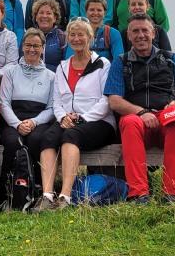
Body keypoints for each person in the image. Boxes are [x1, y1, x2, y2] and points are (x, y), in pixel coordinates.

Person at [105, 15, 175, 204]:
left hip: (166, 116)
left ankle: (172, 193)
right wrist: (141, 112)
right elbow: (114, 101)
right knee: (129, 122)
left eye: (145, 30)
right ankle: (139, 193)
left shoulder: (171, 59)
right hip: (137, 120)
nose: (141, 35)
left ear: (154, 33)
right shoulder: (120, 62)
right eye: (135, 31)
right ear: (128, 36)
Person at [33, 19, 116, 211]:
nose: (76, 38)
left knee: (71, 136)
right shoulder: (63, 67)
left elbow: (106, 101)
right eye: (72, 34)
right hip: (68, 120)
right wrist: (62, 117)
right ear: (67, 38)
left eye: (81, 34)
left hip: (99, 121)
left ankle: (65, 196)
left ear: (90, 38)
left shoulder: (102, 64)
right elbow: (57, 100)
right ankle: (46, 195)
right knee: (48, 137)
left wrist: (82, 118)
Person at [0, 28, 56, 206]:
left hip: (38, 120)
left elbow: (52, 107)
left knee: (38, 139)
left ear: (43, 48)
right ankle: (8, 190)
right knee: (12, 141)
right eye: (29, 45)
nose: (32, 49)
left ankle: (37, 189)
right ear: (22, 46)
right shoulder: (11, 72)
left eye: (37, 46)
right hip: (14, 119)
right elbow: (4, 103)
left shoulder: (51, 76)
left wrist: (33, 122)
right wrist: (17, 124)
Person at [64, 0, 123, 64]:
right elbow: (69, 58)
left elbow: (118, 60)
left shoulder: (112, 33)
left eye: (99, 10)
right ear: (86, 12)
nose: (95, 13)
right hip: (82, 72)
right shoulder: (76, 33)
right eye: (92, 10)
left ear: (105, 13)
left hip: (105, 72)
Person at [31, 0, 67, 73]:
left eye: (48, 13)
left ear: (54, 18)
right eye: (41, 12)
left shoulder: (62, 37)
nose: (44, 16)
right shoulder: (28, 36)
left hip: (55, 81)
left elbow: (66, 66)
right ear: (36, 17)